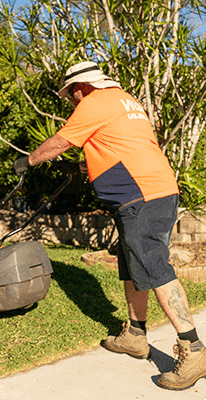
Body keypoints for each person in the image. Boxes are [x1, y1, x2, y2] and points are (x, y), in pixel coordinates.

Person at [14, 61, 206, 391]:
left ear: (78, 88)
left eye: (71, 96)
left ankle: (194, 349)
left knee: (155, 266)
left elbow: (59, 142)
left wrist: (28, 160)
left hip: (141, 195)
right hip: (152, 189)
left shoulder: (93, 102)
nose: (72, 102)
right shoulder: (125, 100)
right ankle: (135, 333)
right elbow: (118, 146)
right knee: (133, 264)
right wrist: (82, 165)